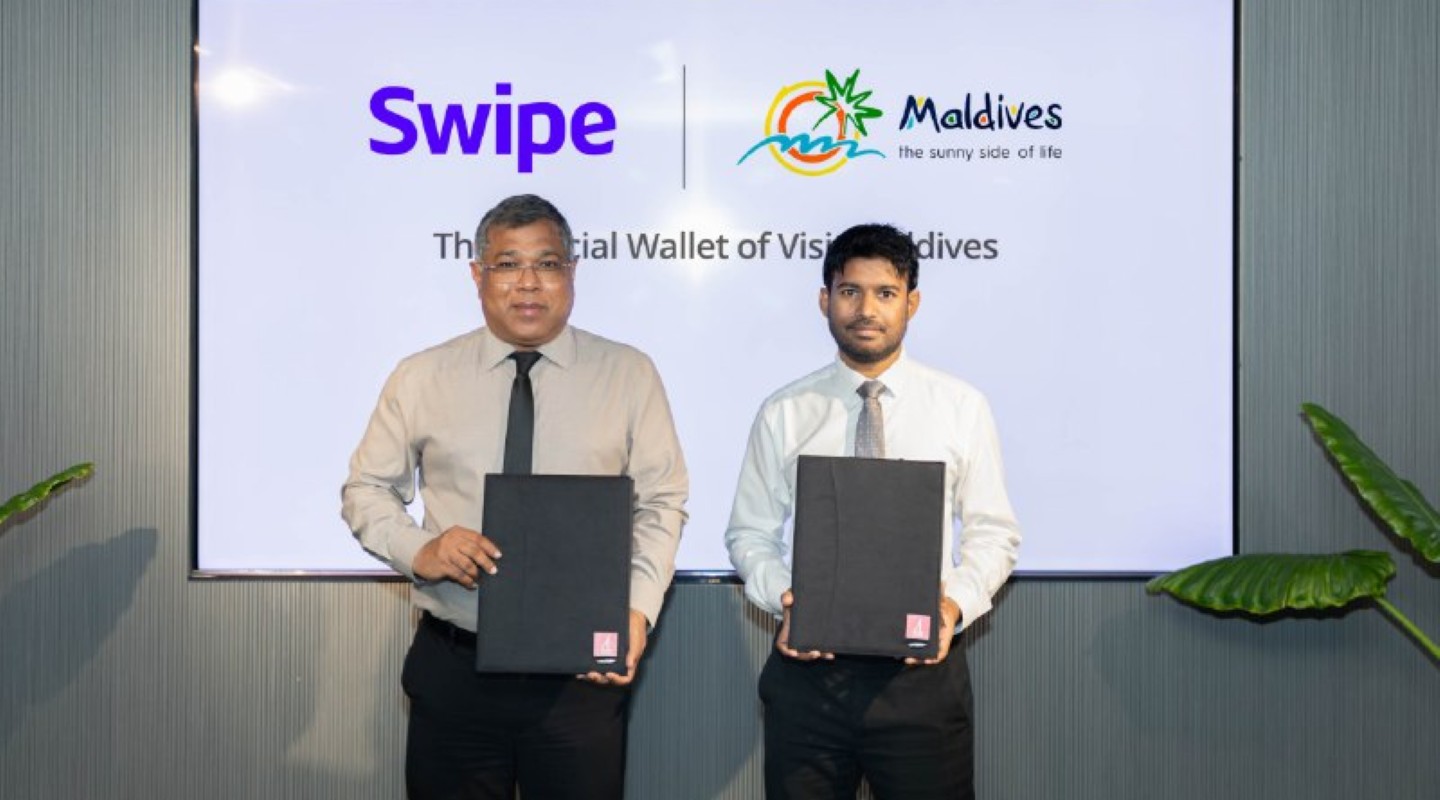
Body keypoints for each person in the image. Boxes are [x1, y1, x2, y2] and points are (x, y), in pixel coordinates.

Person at [341, 194, 688, 800]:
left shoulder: (629, 374)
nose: (528, 282)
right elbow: (366, 490)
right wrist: (421, 550)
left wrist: (636, 611)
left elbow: (661, 503)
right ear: (477, 274)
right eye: (507, 265)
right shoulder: (421, 376)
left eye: (547, 264)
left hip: (580, 675)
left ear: (572, 272)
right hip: (457, 666)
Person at [724, 223, 1021, 799]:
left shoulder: (961, 406)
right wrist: (788, 600)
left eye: (885, 293)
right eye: (849, 291)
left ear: (912, 302)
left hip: (921, 680)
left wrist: (952, 606)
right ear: (824, 300)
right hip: (809, 679)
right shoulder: (785, 410)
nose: (866, 310)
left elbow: (994, 532)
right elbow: (749, 533)